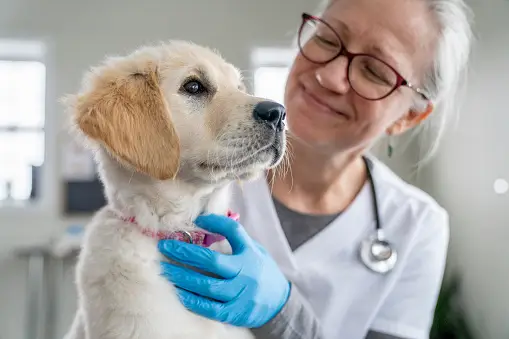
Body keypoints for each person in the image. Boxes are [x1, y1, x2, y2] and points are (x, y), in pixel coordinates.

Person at [157, 0, 474, 337]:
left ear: (409, 116)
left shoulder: (416, 225)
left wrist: (281, 314)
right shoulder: (192, 173)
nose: (328, 75)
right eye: (326, 38)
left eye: (375, 71)